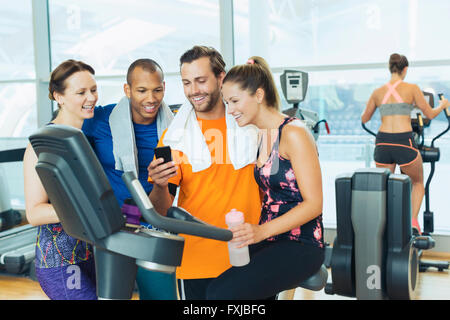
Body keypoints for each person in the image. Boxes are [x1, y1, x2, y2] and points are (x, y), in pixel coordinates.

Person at [203, 56, 324, 300]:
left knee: (220, 295)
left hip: (301, 243)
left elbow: (314, 204)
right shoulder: (263, 136)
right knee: (218, 290)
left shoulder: (295, 133)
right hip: (272, 239)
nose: (231, 109)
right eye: (227, 103)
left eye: (235, 101)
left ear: (258, 95)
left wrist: (260, 231)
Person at [147, 46, 261, 300]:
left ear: (221, 78)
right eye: (187, 83)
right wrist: (159, 185)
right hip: (197, 262)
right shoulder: (173, 138)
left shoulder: (252, 126)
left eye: (201, 80)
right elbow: (161, 210)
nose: (193, 91)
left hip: (255, 257)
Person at [82, 59, 176, 300]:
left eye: (157, 90)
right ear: (128, 90)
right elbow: (68, 129)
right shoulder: (101, 119)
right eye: (142, 90)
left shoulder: (175, 128)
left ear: (164, 87)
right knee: (113, 296)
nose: (151, 99)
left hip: (154, 223)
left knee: (160, 297)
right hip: (113, 224)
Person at [23, 59, 98, 300]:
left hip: (90, 254)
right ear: (59, 97)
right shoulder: (42, 144)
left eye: (93, 90)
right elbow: (34, 212)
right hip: (60, 261)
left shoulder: (86, 138)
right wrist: (88, 207)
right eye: (81, 92)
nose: (91, 97)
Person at [361, 53, 450, 235]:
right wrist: (443, 105)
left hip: (383, 142)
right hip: (403, 141)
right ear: (405, 69)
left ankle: (383, 226)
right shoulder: (411, 88)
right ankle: (412, 221)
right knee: (417, 182)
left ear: (390, 68)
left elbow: (364, 118)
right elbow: (430, 114)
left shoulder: (377, 92)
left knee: (384, 186)